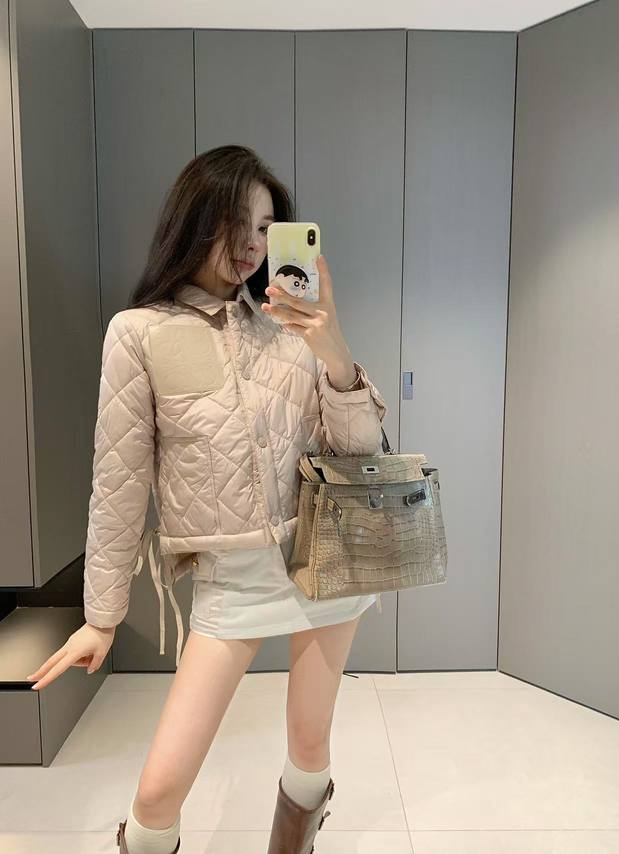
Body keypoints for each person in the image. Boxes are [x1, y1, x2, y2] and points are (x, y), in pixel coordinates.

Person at [25, 145, 388, 853]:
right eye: (235, 222)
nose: (252, 244)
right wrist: (101, 617)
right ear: (194, 219)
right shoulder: (140, 333)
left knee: (309, 743)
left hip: (326, 564)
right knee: (158, 793)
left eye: (266, 227)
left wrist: (334, 350)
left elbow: (357, 453)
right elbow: (119, 482)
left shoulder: (290, 330)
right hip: (234, 579)